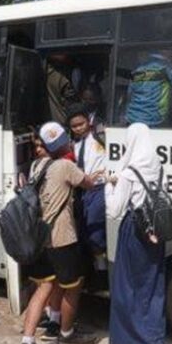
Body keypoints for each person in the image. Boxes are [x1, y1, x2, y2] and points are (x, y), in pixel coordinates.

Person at [21, 121, 102, 344]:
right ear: (63, 143)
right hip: (62, 238)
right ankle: (67, 333)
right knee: (73, 286)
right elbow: (88, 183)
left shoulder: (37, 166)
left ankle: (28, 340)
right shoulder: (65, 166)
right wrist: (98, 175)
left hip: (40, 238)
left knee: (44, 287)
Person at [105, 123, 166, 344]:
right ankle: (155, 340)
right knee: (152, 285)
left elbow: (114, 210)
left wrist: (111, 184)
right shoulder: (158, 168)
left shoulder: (129, 173)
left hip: (134, 231)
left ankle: (130, 341)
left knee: (127, 286)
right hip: (155, 232)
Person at [67, 103, 107, 270]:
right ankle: (95, 265)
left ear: (88, 122)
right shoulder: (74, 144)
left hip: (100, 188)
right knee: (83, 228)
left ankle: (103, 266)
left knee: (94, 228)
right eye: (74, 126)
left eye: (81, 124)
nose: (78, 128)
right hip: (83, 190)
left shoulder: (100, 137)